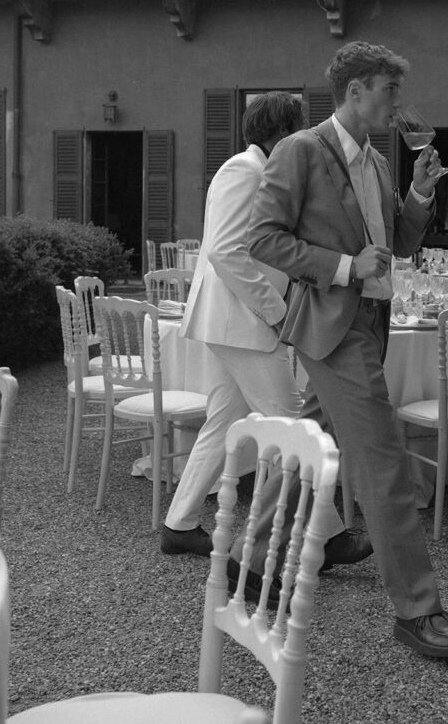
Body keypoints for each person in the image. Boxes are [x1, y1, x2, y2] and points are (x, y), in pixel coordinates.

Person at [237, 41, 448, 659]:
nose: (397, 103)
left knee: (308, 443)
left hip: (371, 321)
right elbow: (260, 238)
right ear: (355, 91)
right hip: (332, 325)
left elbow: (396, 244)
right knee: (383, 461)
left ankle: (251, 557)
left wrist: (419, 195)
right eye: (388, 90)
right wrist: (345, 266)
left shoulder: (377, 162)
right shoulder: (301, 150)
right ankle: (418, 609)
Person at [161, 91, 367, 569]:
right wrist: (276, 311)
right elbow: (225, 251)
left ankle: (179, 524)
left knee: (223, 424)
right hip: (242, 321)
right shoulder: (244, 170)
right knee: (295, 427)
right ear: (280, 132)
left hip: (235, 321)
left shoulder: (259, 171)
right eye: (298, 129)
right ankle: (326, 537)